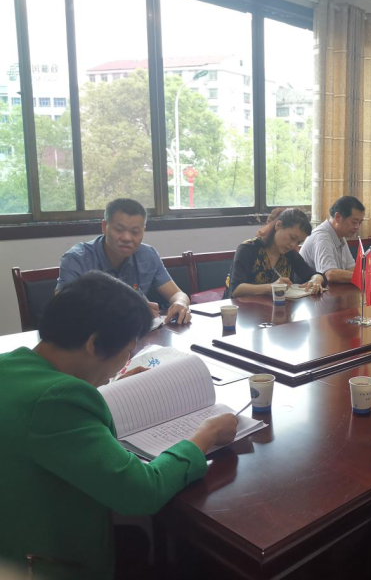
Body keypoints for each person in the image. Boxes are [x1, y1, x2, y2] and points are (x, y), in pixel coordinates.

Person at [0, 272, 237, 580]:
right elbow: (142, 492)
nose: (124, 363)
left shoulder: (11, 364)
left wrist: (107, 387)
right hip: (42, 563)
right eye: (127, 353)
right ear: (94, 344)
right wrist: (206, 434)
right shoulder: (58, 401)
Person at [56, 198, 192, 324]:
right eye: (119, 230)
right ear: (104, 227)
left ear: (143, 231)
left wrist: (180, 303)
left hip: (138, 337)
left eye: (135, 232)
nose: (127, 238)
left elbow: (177, 294)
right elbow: (63, 310)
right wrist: (129, 311)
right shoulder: (77, 259)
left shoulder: (148, 255)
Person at [226, 207, 325, 298]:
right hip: (242, 309)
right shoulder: (248, 249)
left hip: (276, 308)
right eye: (292, 238)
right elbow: (236, 290)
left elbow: (311, 274)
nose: (293, 245)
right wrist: (271, 287)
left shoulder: (289, 254)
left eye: (298, 242)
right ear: (278, 225)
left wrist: (316, 279)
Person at [299, 195, 371, 284]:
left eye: (360, 222)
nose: (357, 227)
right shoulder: (322, 237)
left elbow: (351, 269)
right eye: (354, 222)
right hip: (309, 292)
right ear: (338, 217)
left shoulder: (340, 235)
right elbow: (330, 274)